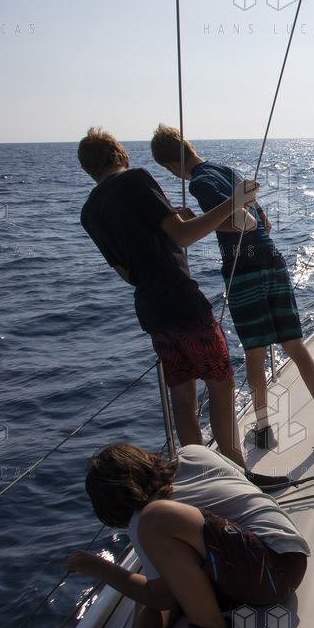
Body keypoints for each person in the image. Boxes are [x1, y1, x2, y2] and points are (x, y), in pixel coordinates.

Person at [54, 442, 310, 628]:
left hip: (273, 573)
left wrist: (100, 568)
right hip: (285, 556)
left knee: (154, 531)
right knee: (162, 570)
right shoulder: (193, 453)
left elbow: (160, 599)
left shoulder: (148, 517)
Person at [149, 125, 314, 447]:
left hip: (243, 269)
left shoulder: (199, 183)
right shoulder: (227, 171)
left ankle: (264, 429)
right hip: (272, 260)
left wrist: (190, 223)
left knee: (254, 353)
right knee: (294, 345)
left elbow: (242, 222)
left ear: (170, 166)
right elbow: (263, 222)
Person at [78, 127, 255, 472]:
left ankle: (202, 474)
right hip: (183, 302)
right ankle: (240, 473)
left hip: (151, 312)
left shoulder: (89, 212)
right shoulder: (136, 179)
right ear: (120, 155)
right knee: (221, 383)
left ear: (89, 169)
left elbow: (127, 274)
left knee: (182, 394)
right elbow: (184, 236)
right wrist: (234, 202)